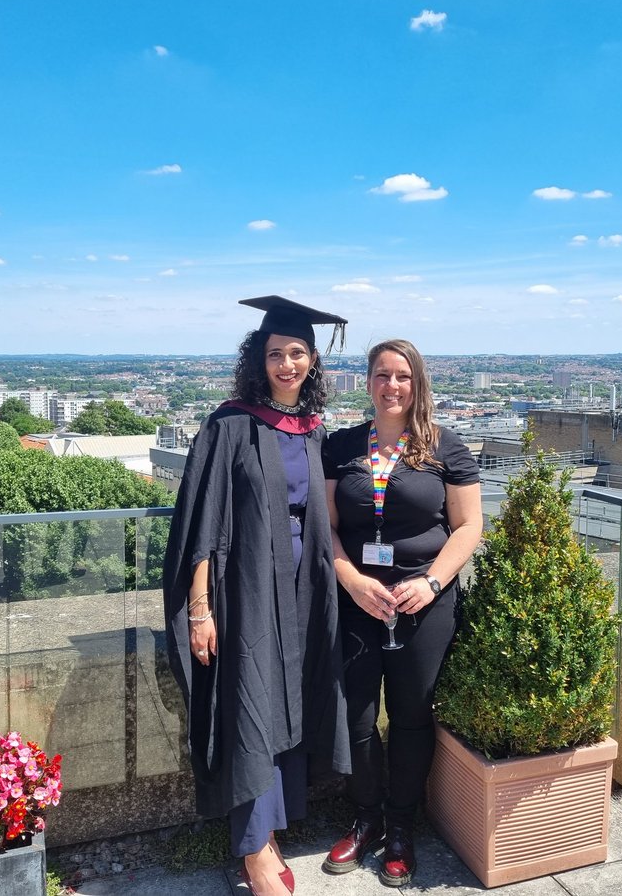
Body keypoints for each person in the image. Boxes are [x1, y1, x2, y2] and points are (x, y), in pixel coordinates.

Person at [163, 296, 351, 896]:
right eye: (275, 354)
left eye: (297, 353)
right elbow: (202, 522)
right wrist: (199, 609)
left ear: (313, 360)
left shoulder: (313, 430)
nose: (286, 364)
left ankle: (273, 829)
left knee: (288, 700)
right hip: (244, 589)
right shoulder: (230, 425)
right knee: (251, 702)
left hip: (303, 587)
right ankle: (254, 850)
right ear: (259, 360)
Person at [322, 339, 483, 887]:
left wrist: (432, 582)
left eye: (403, 376)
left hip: (423, 602)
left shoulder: (445, 446)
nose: (392, 386)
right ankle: (365, 819)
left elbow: (468, 526)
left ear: (418, 384)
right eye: (382, 375)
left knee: (412, 716)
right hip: (356, 599)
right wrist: (352, 580)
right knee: (357, 715)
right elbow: (326, 527)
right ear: (367, 381)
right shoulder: (341, 445)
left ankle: (400, 827)